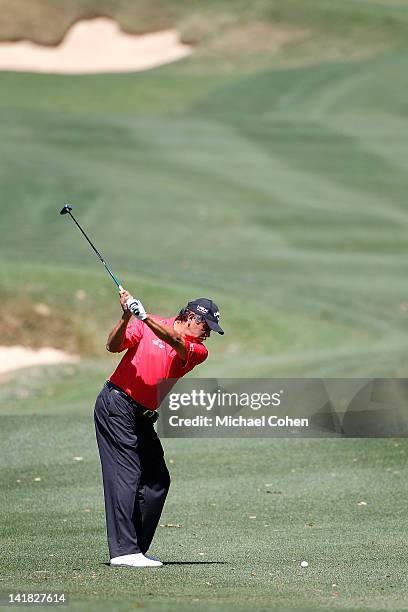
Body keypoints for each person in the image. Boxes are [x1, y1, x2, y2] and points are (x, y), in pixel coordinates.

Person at [94, 289, 224, 568]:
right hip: (116, 404)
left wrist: (144, 318)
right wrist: (127, 315)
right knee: (127, 475)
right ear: (190, 317)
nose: (208, 334)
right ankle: (123, 551)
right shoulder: (144, 322)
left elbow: (174, 340)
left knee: (156, 481)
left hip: (142, 416)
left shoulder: (197, 351)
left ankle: (134, 550)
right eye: (206, 326)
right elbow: (112, 345)